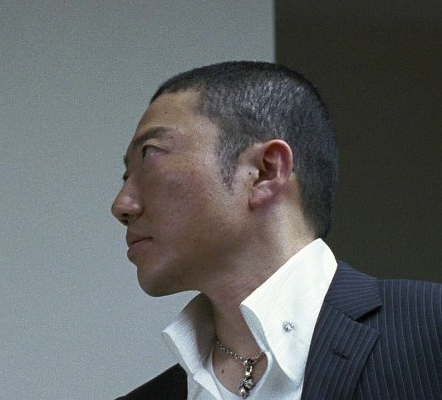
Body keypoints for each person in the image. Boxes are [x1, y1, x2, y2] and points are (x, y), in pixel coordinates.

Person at [111, 61, 442, 400]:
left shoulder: (431, 330)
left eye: (150, 156)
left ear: (265, 171)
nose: (121, 205)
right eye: (125, 177)